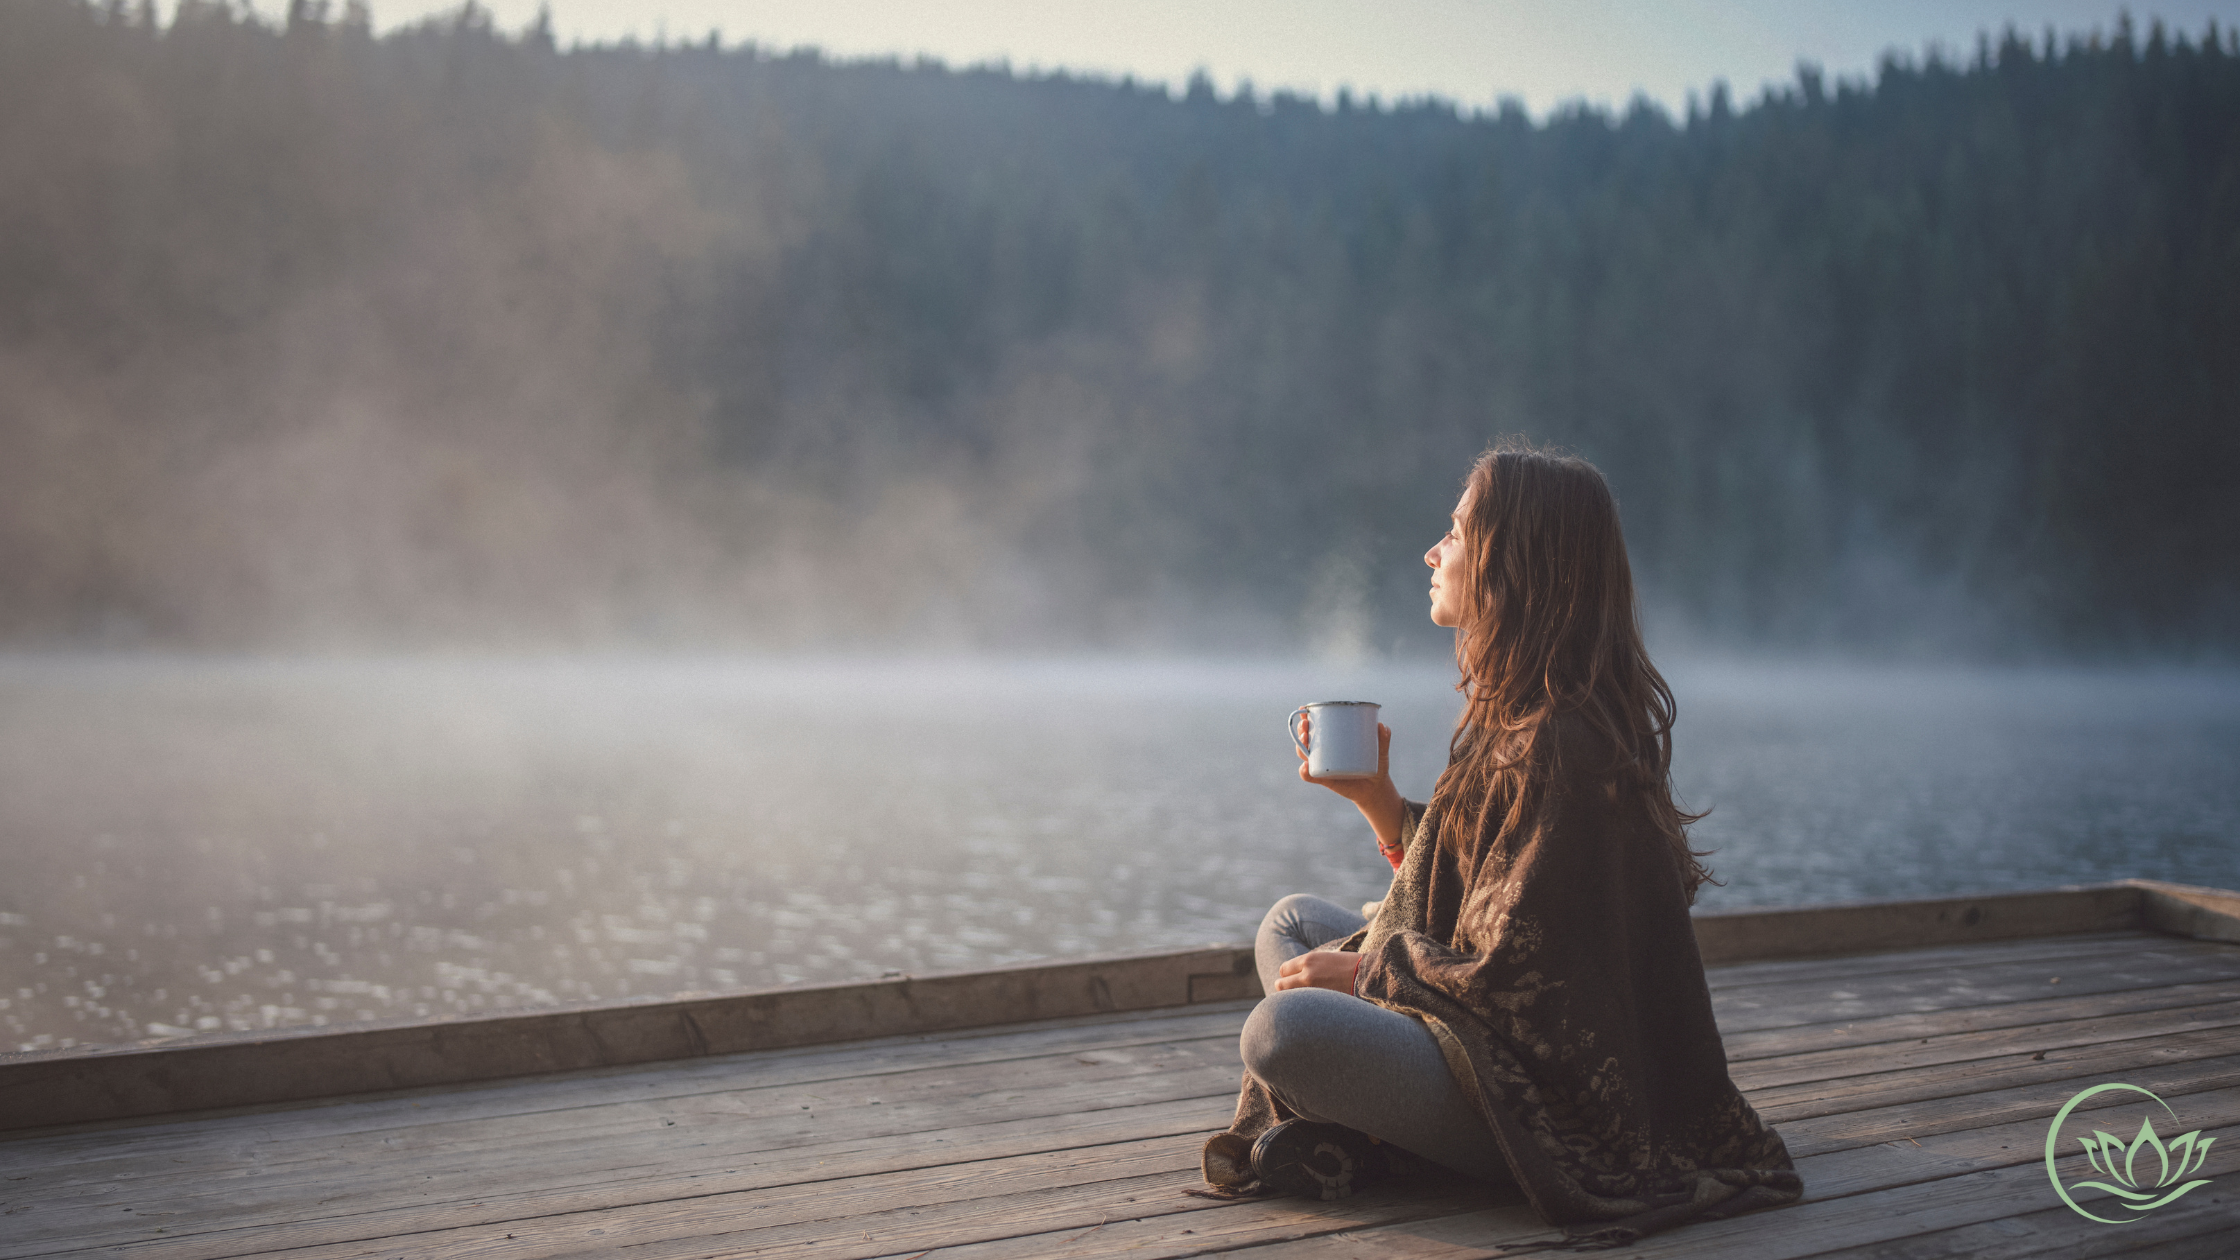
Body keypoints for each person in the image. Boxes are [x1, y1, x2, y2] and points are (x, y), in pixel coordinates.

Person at [1197, 442, 1802, 1247]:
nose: (1432, 551)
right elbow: (1478, 887)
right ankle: (1365, 1127)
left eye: (1455, 531)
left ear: (1514, 562)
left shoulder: (1563, 741)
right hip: (1480, 1037)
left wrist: (1370, 970)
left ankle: (1379, 1138)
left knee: (1284, 1033)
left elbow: (1522, 980)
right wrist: (1379, 802)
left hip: (1546, 1105)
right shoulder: (1519, 714)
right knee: (1294, 924)